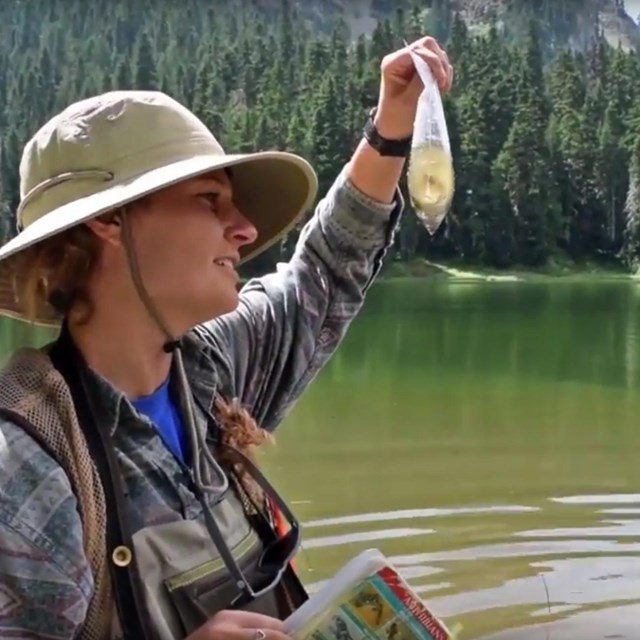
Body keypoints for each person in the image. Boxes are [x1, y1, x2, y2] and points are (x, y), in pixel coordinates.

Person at [0, 36, 452, 640]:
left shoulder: (210, 373)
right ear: (109, 221)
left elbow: (325, 268)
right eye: (210, 201)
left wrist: (392, 125)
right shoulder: (27, 467)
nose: (243, 229)